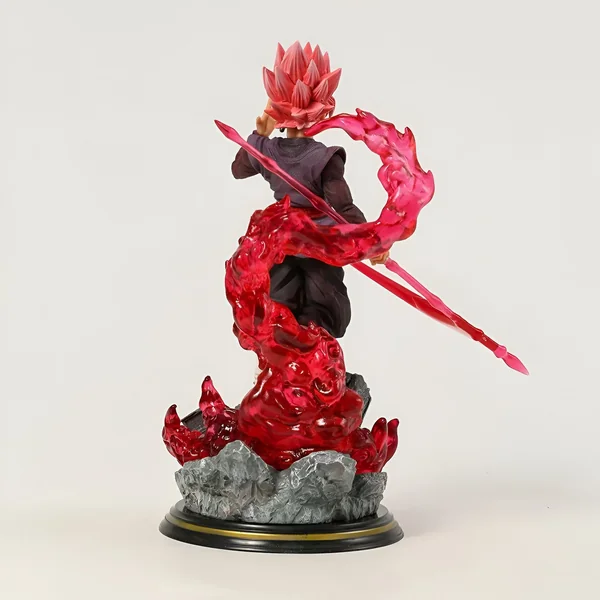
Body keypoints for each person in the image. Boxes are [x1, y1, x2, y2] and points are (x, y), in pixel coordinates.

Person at [231, 41, 389, 341]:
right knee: (322, 313)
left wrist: (259, 135)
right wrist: (373, 242)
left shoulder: (267, 150)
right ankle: (297, 354)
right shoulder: (323, 158)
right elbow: (343, 207)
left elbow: (238, 169)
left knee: (287, 308)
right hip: (311, 243)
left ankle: (299, 353)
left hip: (285, 241)